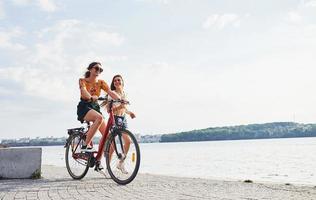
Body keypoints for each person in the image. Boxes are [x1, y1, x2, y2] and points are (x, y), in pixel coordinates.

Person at [77, 62, 120, 171]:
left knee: (108, 135)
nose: (98, 71)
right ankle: (85, 145)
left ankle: (98, 161)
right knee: (99, 118)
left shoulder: (101, 83)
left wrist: (120, 99)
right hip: (85, 107)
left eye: (100, 70)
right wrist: (91, 97)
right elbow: (84, 91)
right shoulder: (83, 80)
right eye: (96, 69)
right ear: (90, 69)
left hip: (95, 107)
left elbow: (110, 92)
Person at [104, 74, 136, 174]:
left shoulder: (124, 94)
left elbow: (124, 108)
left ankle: (121, 163)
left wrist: (129, 112)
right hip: (114, 119)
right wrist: (120, 107)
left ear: (122, 82)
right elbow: (109, 110)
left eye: (118, 80)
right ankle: (107, 168)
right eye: (115, 81)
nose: (117, 82)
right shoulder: (112, 93)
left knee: (128, 141)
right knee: (112, 146)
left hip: (123, 119)